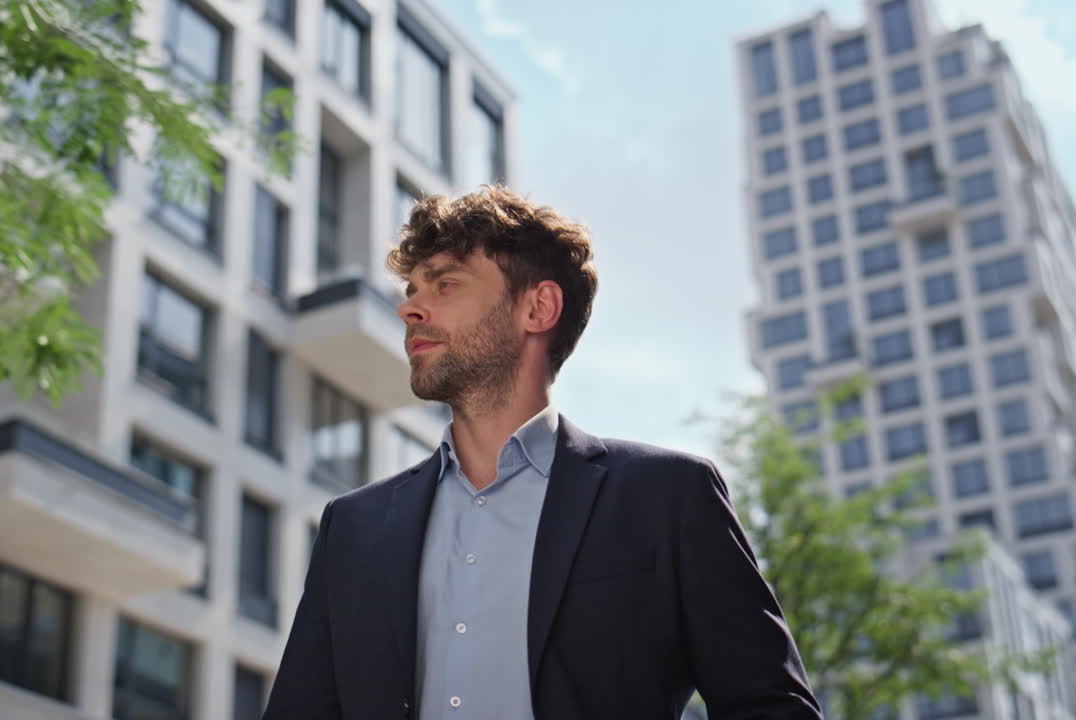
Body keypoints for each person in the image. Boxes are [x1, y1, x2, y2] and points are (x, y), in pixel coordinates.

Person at [262, 186, 822, 720]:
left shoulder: (667, 498)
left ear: (538, 308)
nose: (411, 309)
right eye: (411, 290)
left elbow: (771, 708)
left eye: (445, 284)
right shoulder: (354, 528)